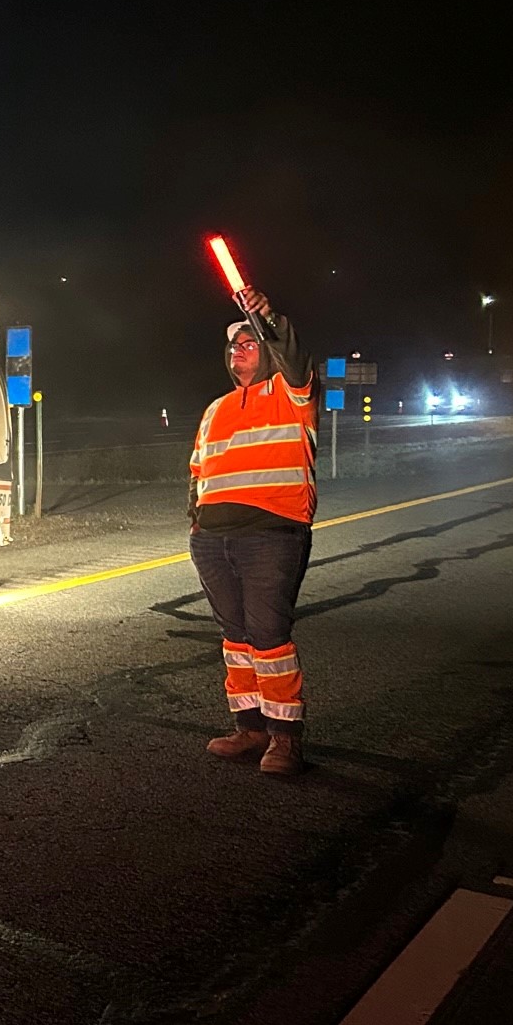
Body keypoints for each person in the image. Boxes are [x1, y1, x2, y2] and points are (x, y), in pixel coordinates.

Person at [188, 287, 317, 775]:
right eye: (233, 346)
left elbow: (293, 355)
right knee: (236, 636)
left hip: (271, 533)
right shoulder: (216, 408)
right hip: (214, 538)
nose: (238, 350)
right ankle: (251, 727)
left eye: (249, 342)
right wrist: (197, 521)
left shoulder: (291, 392)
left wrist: (268, 319)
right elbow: (197, 471)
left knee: (268, 634)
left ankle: (286, 739)